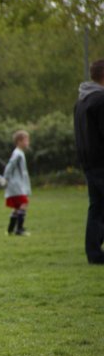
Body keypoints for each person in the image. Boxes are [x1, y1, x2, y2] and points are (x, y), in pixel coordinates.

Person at [73, 58, 104, 264]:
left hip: (89, 162)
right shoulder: (100, 100)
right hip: (101, 162)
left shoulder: (81, 101)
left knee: (97, 207)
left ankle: (94, 252)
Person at [3, 130, 32, 236]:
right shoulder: (18, 154)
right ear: (19, 141)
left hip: (17, 185)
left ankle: (10, 230)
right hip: (16, 185)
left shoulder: (19, 153)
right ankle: (19, 229)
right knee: (24, 203)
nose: (28, 142)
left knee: (17, 207)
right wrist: (5, 178)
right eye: (26, 140)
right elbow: (10, 166)